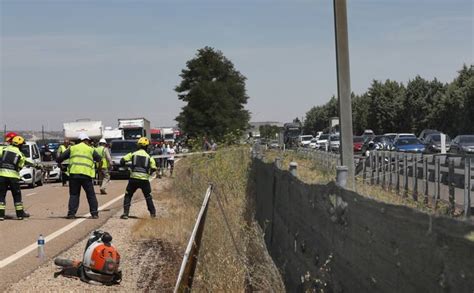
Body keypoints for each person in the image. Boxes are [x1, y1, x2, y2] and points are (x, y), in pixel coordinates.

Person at [57, 133, 101, 219]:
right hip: (86, 175)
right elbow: (99, 159)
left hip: (74, 175)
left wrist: (61, 164)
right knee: (91, 195)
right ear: (85, 140)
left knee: (74, 195)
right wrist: (97, 169)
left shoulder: (72, 148)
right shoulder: (90, 149)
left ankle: (71, 214)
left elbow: (60, 158)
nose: (88, 142)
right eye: (88, 141)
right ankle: (94, 214)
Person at [119, 137, 157, 219]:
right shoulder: (149, 157)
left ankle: (125, 213)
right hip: (144, 180)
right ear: (147, 146)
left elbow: (122, 160)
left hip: (133, 179)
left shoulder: (133, 154)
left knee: (128, 195)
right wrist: (148, 174)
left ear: (138, 145)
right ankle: (153, 214)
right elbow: (154, 168)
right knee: (148, 197)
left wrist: (125, 166)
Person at [0, 136, 33, 220]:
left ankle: (0, 215)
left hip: (2, 176)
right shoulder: (20, 154)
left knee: (1, 195)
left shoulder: (4, 149)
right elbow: (20, 166)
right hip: (13, 177)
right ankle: (20, 215)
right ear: (19, 145)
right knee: (17, 195)